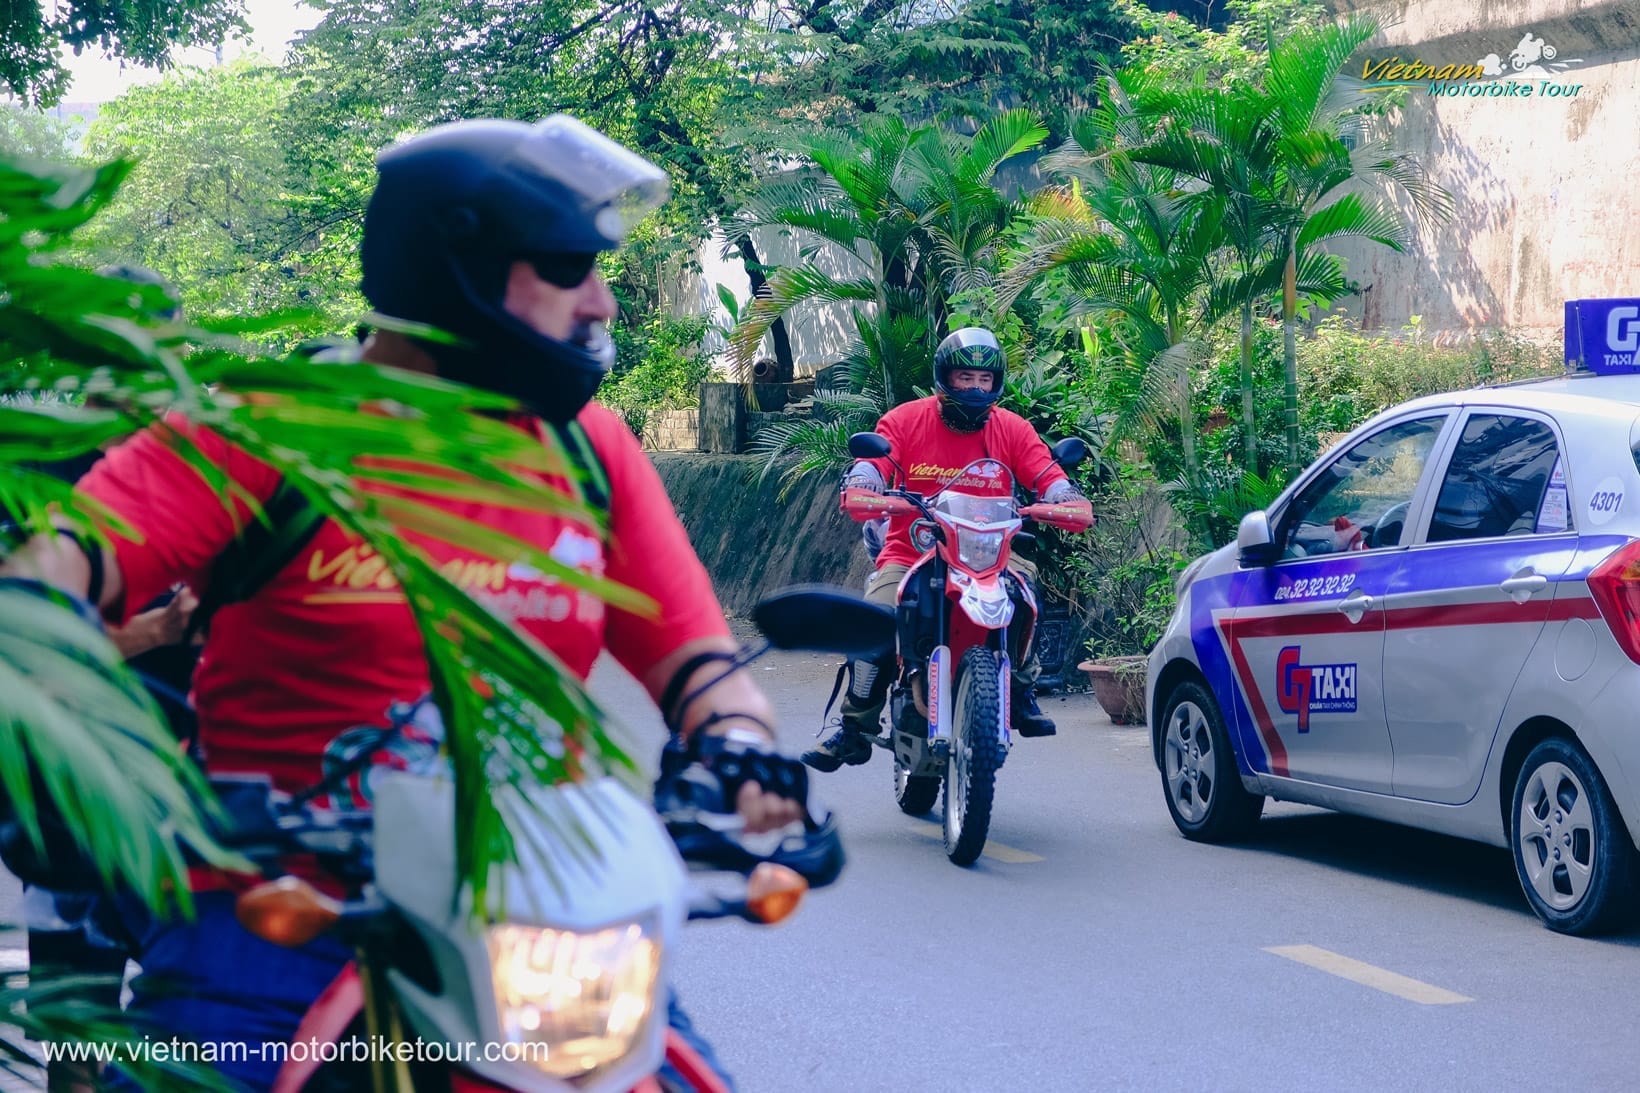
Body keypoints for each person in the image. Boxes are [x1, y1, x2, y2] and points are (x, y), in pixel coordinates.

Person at [0, 116, 804, 1092]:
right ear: (448, 264)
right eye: (564, 265)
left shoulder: (588, 445)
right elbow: (71, 559)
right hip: (279, 899)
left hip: (532, 903)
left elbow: (693, 660)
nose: (597, 298)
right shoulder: (271, 420)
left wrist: (742, 741)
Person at [802, 327, 1086, 772]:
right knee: (875, 617)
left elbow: (1048, 474)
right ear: (944, 378)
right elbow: (873, 463)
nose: (975, 388)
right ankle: (855, 727)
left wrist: (1065, 497)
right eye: (964, 378)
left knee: (1025, 587)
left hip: (990, 554)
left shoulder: (1012, 428)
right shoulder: (904, 421)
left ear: (997, 383)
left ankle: (1022, 688)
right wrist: (863, 482)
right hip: (911, 553)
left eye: (984, 380)